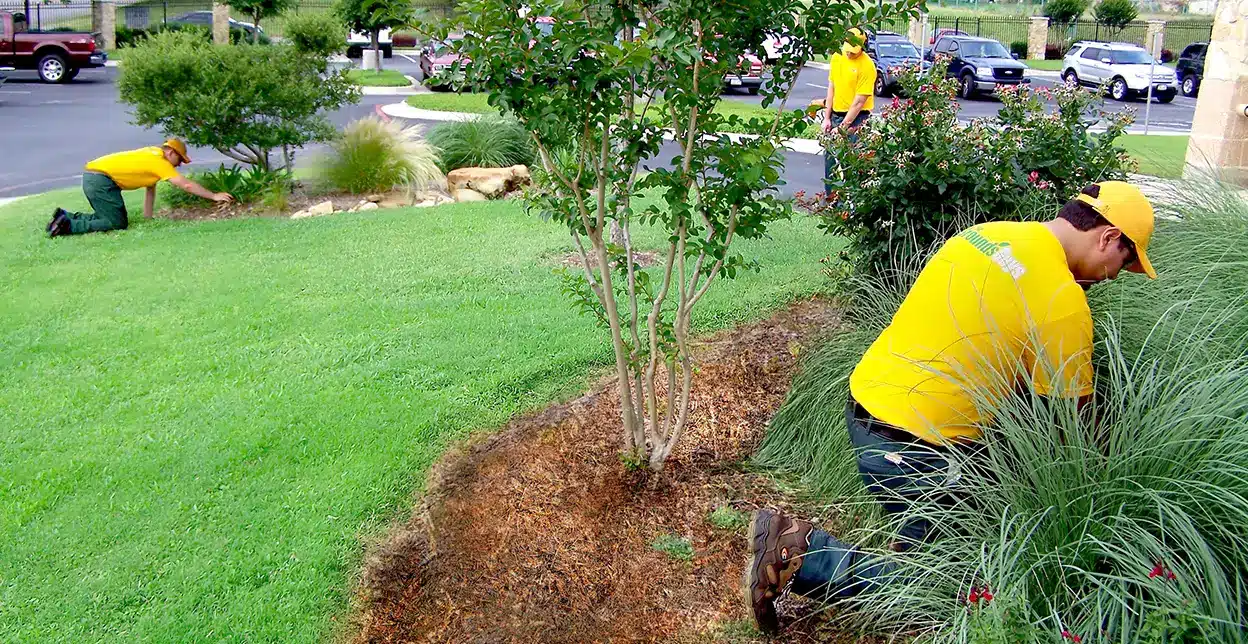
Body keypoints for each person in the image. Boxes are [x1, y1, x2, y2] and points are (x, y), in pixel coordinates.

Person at [744, 182, 1158, 633]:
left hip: (868, 402)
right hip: (914, 444)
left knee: (964, 521)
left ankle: (917, 544)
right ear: (1108, 237)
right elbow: (1071, 428)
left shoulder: (984, 235)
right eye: (1125, 263)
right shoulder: (1063, 302)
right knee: (951, 593)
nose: (1115, 276)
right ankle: (800, 554)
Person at [46, 139, 233, 237]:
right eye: (179, 159)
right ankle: (69, 226)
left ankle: (66, 216)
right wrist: (214, 196)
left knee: (107, 216)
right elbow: (186, 184)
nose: (179, 164)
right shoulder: (160, 162)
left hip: (96, 177)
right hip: (101, 180)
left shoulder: (152, 154)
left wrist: (148, 217)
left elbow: (150, 188)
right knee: (116, 223)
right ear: (170, 152)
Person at [822, 27, 876, 189]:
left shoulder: (867, 66)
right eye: (848, 49)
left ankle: (852, 201)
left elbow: (859, 102)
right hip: (836, 115)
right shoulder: (837, 57)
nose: (849, 53)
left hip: (857, 119)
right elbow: (832, 87)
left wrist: (843, 128)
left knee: (852, 163)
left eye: (853, 51)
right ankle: (831, 200)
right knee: (830, 162)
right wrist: (827, 117)